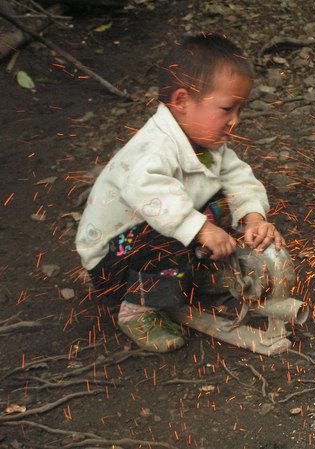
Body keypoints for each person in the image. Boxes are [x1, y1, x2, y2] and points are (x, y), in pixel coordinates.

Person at [75, 33, 284, 353]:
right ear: (182, 101)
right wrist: (201, 228)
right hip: (113, 260)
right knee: (171, 228)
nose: (234, 122)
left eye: (239, 111)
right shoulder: (155, 147)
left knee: (219, 202)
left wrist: (253, 217)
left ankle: (192, 270)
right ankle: (137, 309)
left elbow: (238, 176)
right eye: (227, 109)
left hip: (145, 239)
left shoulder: (207, 143)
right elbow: (152, 195)